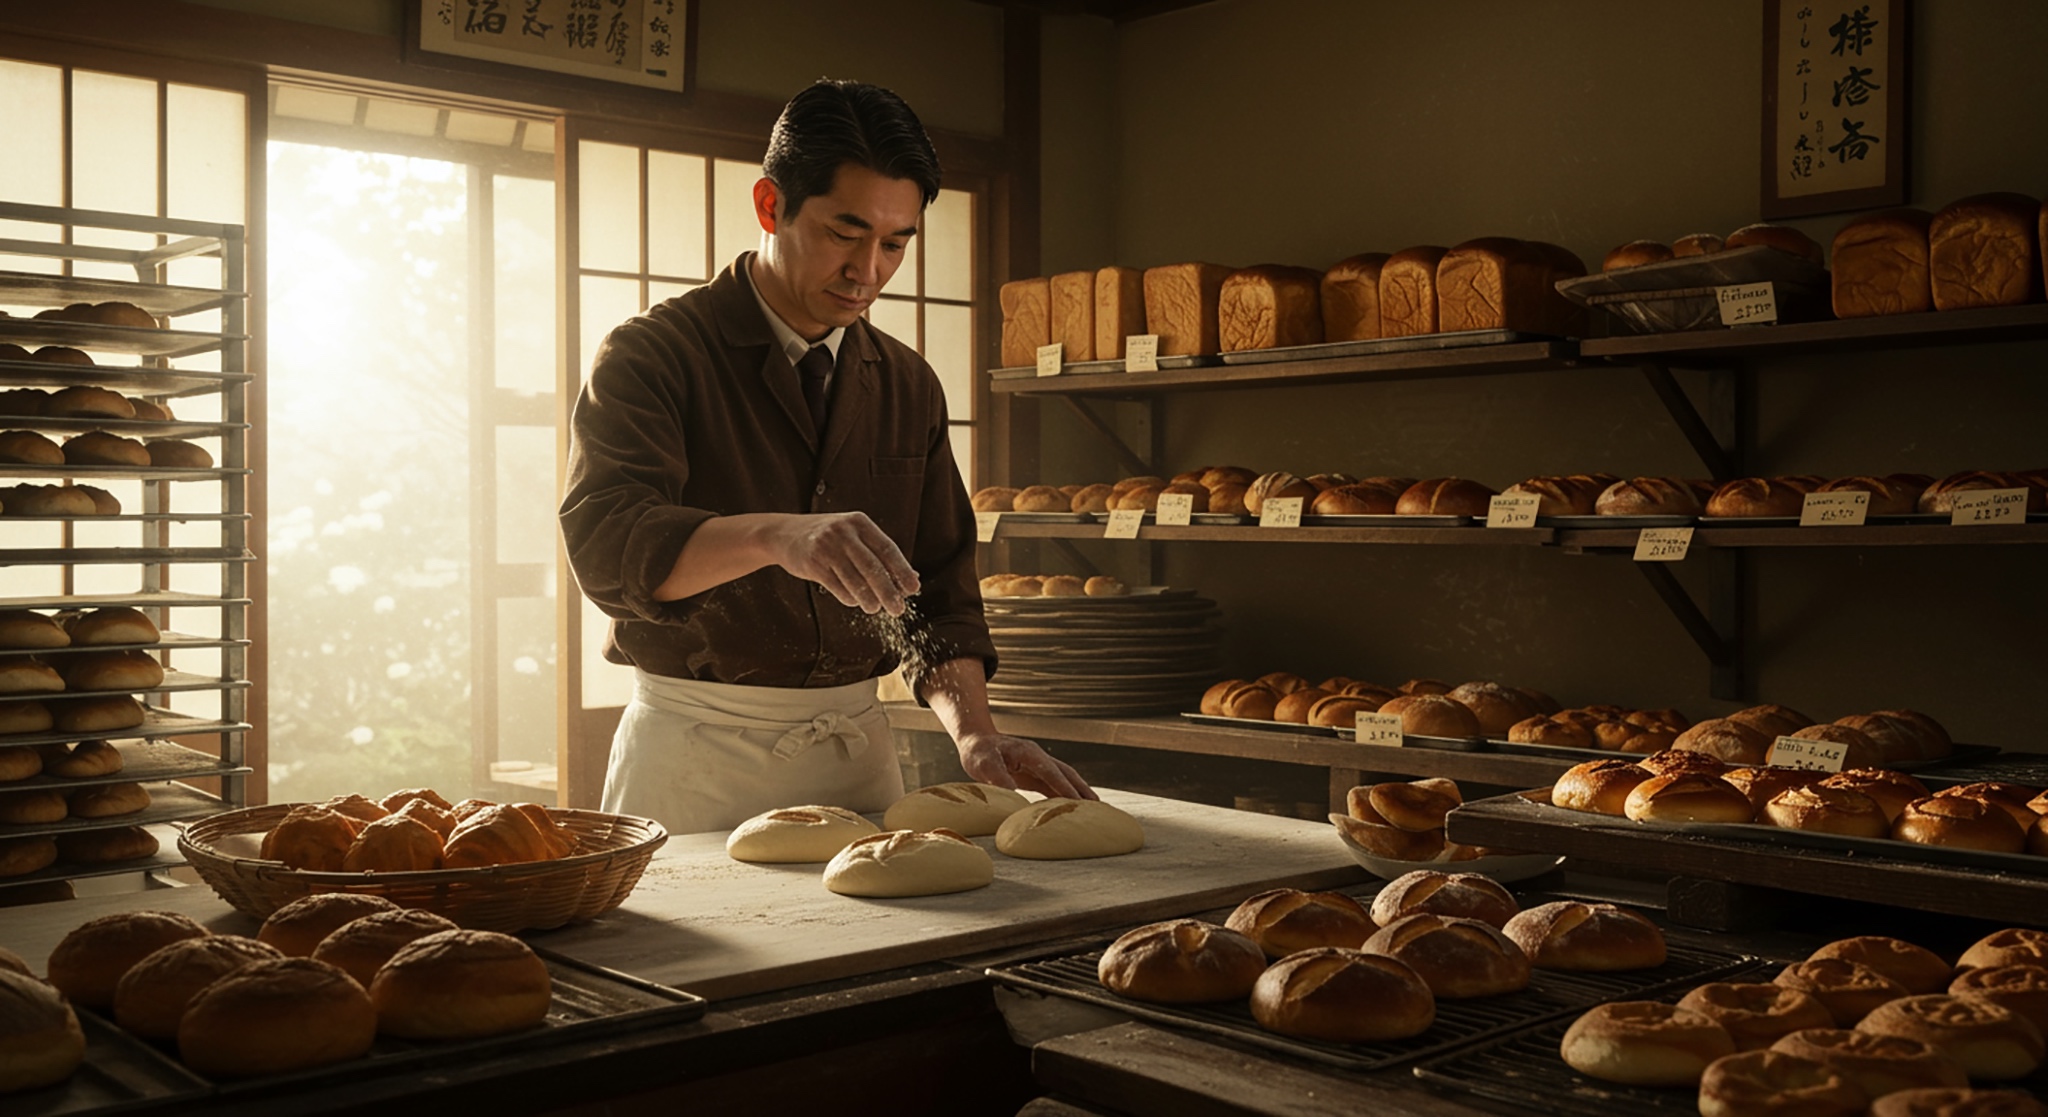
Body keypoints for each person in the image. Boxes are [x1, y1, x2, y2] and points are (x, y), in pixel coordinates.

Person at [559, 79, 1094, 834]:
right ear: (770, 205)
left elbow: (938, 589)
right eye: (845, 232)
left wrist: (975, 731)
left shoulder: (907, 383)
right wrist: (777, 536)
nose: (868, 270)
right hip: (692, 755)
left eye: (896, 242)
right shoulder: (654, 355)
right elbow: (611, 548)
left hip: (856, 758)